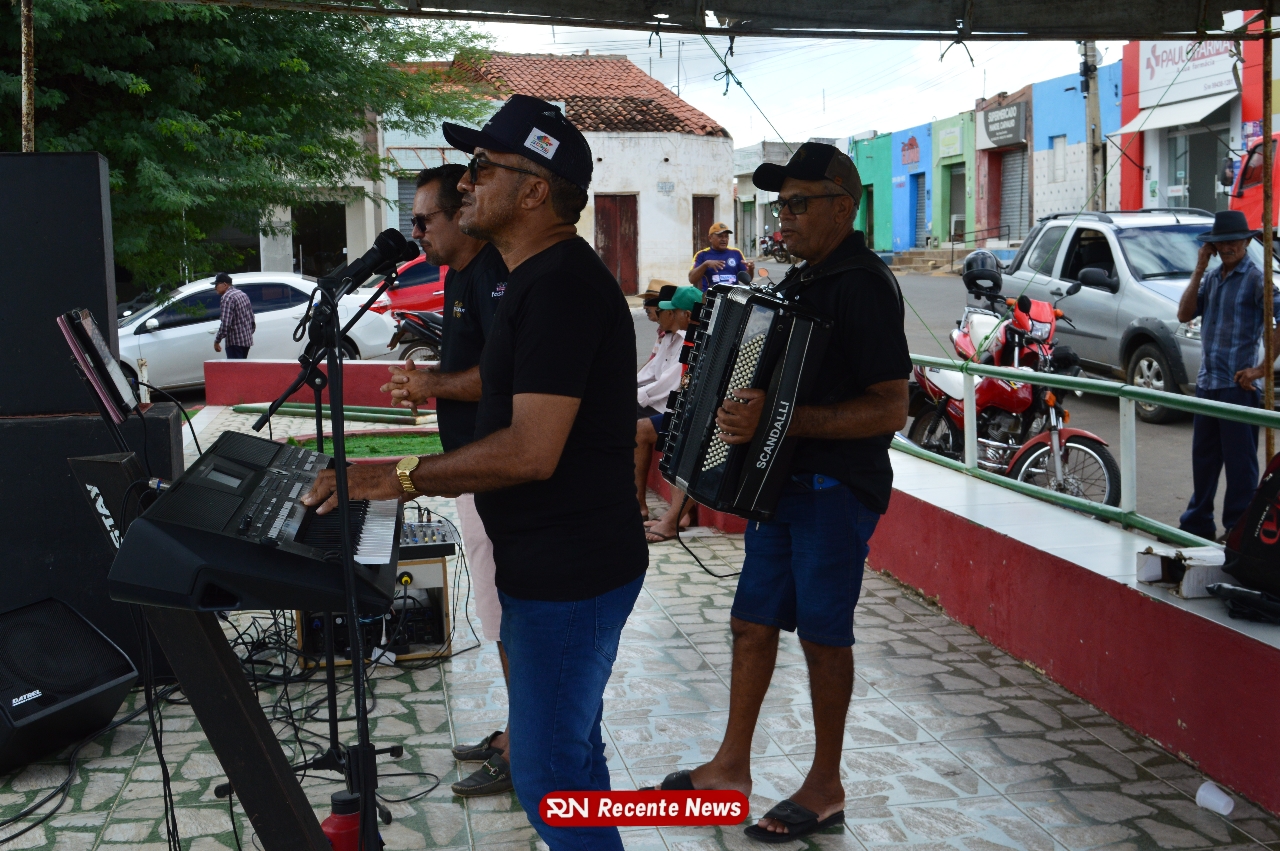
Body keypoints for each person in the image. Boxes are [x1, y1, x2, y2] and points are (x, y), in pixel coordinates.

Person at [303, 94, 647, 851]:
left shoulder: (560, 285)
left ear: (534, 191)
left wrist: (395, 475)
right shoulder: (531, 278)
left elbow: (530, 451)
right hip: (548, 565)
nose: (465, 181)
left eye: (484, 167)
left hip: (571, 574)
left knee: (549, 777)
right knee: (573, 759)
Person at [652, 143, 910, 843]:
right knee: (751, 623)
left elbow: (890, 407)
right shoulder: (803, 281)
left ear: (843, 206)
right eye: (779, 204)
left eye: (798, 203)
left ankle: (825, 787)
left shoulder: (863, 285)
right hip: (782, 485)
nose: (783, 217)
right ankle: (729, 768)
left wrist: (781, 418)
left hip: (834, 489)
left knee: (824, 638)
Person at [380, 163, 514, 797]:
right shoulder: (457, 273)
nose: (416, 233)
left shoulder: (492, 275)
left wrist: (432, 383)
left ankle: (525, 747)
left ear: (462, 214)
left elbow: (503, 376)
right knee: (497, 610)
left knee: (507, 613)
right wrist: (432, 378)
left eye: (423, 220)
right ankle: (520, 730)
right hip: (471, 466)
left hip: (496, 468)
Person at [1176, 209, 1280, 541]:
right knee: (1204, 461)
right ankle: (1197, 524)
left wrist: (1262, 368)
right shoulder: (1211, 277)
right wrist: (1199, 267)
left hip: (1239, 387)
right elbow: (1184, 313)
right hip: (1208, 384)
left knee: (1240, 467)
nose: (1226, 248)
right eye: (1220, 243)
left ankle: (1238, 530)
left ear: (1247, 242)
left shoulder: (1256, 278)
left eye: (1233, 241)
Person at [638, 286, 703, 540]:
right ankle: (673, 515)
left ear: (687, 314)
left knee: (679, 433)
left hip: (696, 414)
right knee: (675, 428)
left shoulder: (695, 339)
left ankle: (675, 518)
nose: (669, 316)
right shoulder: (682, 337)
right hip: (684, 409)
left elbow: (670, 384)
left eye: (674, 312)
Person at [689, 222, 754, 291]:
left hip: (733, 295)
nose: (724, 239)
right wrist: (705, 264)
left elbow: (747, 281)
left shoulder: (736, 253)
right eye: (720, 236)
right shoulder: (701, 255)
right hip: (711, 295)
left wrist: (750, 269)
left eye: (726, 236)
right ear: (710, 238)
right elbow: (692, 279)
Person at [212, 273, 254, 358]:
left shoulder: (227, 298)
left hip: (234, 342)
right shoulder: (242, 294)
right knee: (242, 365)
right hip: (246, 341)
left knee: (235, 366)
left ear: (225, 284)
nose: (215, 288)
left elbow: (225, 324)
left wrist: (217, 341)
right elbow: (251, 318)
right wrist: (248, 333)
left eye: (216, 284)